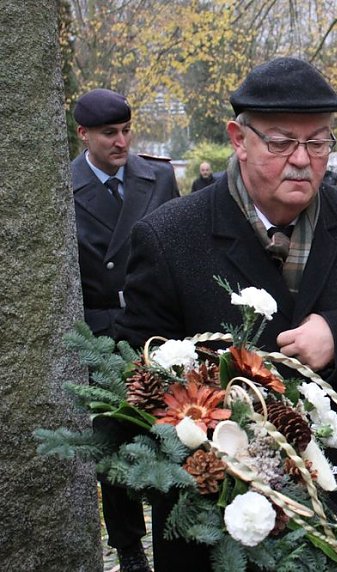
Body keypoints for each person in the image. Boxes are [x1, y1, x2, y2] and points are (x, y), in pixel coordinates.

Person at [115, 57, 337, 570]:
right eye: (281, 142)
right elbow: (137, 369)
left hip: (333, 498)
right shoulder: (170, 235)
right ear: (238, 139)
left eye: (317, 142)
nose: (301, 160)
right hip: (212, 516)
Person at [71, 87, 179, 572]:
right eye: (109, 133)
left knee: (171, 430)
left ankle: (176, 536)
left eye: (126, 130)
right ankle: (129, 546)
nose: (121, 141)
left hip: (155, 323)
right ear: (83, 135)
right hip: (100, 327)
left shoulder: (157, 176)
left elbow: (177, 247)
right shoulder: (64, 185)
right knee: (112, 439)